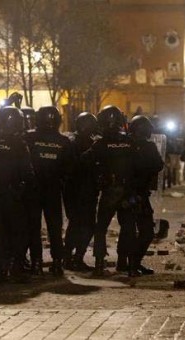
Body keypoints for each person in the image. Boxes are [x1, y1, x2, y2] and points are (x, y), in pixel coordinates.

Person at [84, 105, 137, 277]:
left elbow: (85, 160)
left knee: (101, 228)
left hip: (109, 190)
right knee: (128, 226)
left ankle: (99, 263)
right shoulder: (130, 141)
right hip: (128, 190)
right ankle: (126, 264)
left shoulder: (100, 144)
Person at [24, 106, 74, 276]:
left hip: (33, 189)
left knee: (33, 227)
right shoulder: (64, 142)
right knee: (54, 227)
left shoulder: (29, 138)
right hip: (53, 190)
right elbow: (69, 170)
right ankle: (57, 263)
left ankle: (36, 262)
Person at [0, 107, 34, 283]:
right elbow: (27, 171)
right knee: (17, 233)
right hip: (14, 195)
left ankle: (0, 269)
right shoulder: (19, 144)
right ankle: (15, 268)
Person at [128, 115, 164, 275]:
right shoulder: (148, 147)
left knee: (127, 231)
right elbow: (158, 165)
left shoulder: (125, 144)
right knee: (146, 231)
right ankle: (133, 265)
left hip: (123, 193)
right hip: (138, 195)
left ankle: (129, 264)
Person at [63, 112, 99, 272]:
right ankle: (71, 257)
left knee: (84, 225)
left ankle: (74, 256)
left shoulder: (89, 142)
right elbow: (73, 166)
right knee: (80, 224)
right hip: (77, 189)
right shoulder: (74, 143)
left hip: (87, 189)